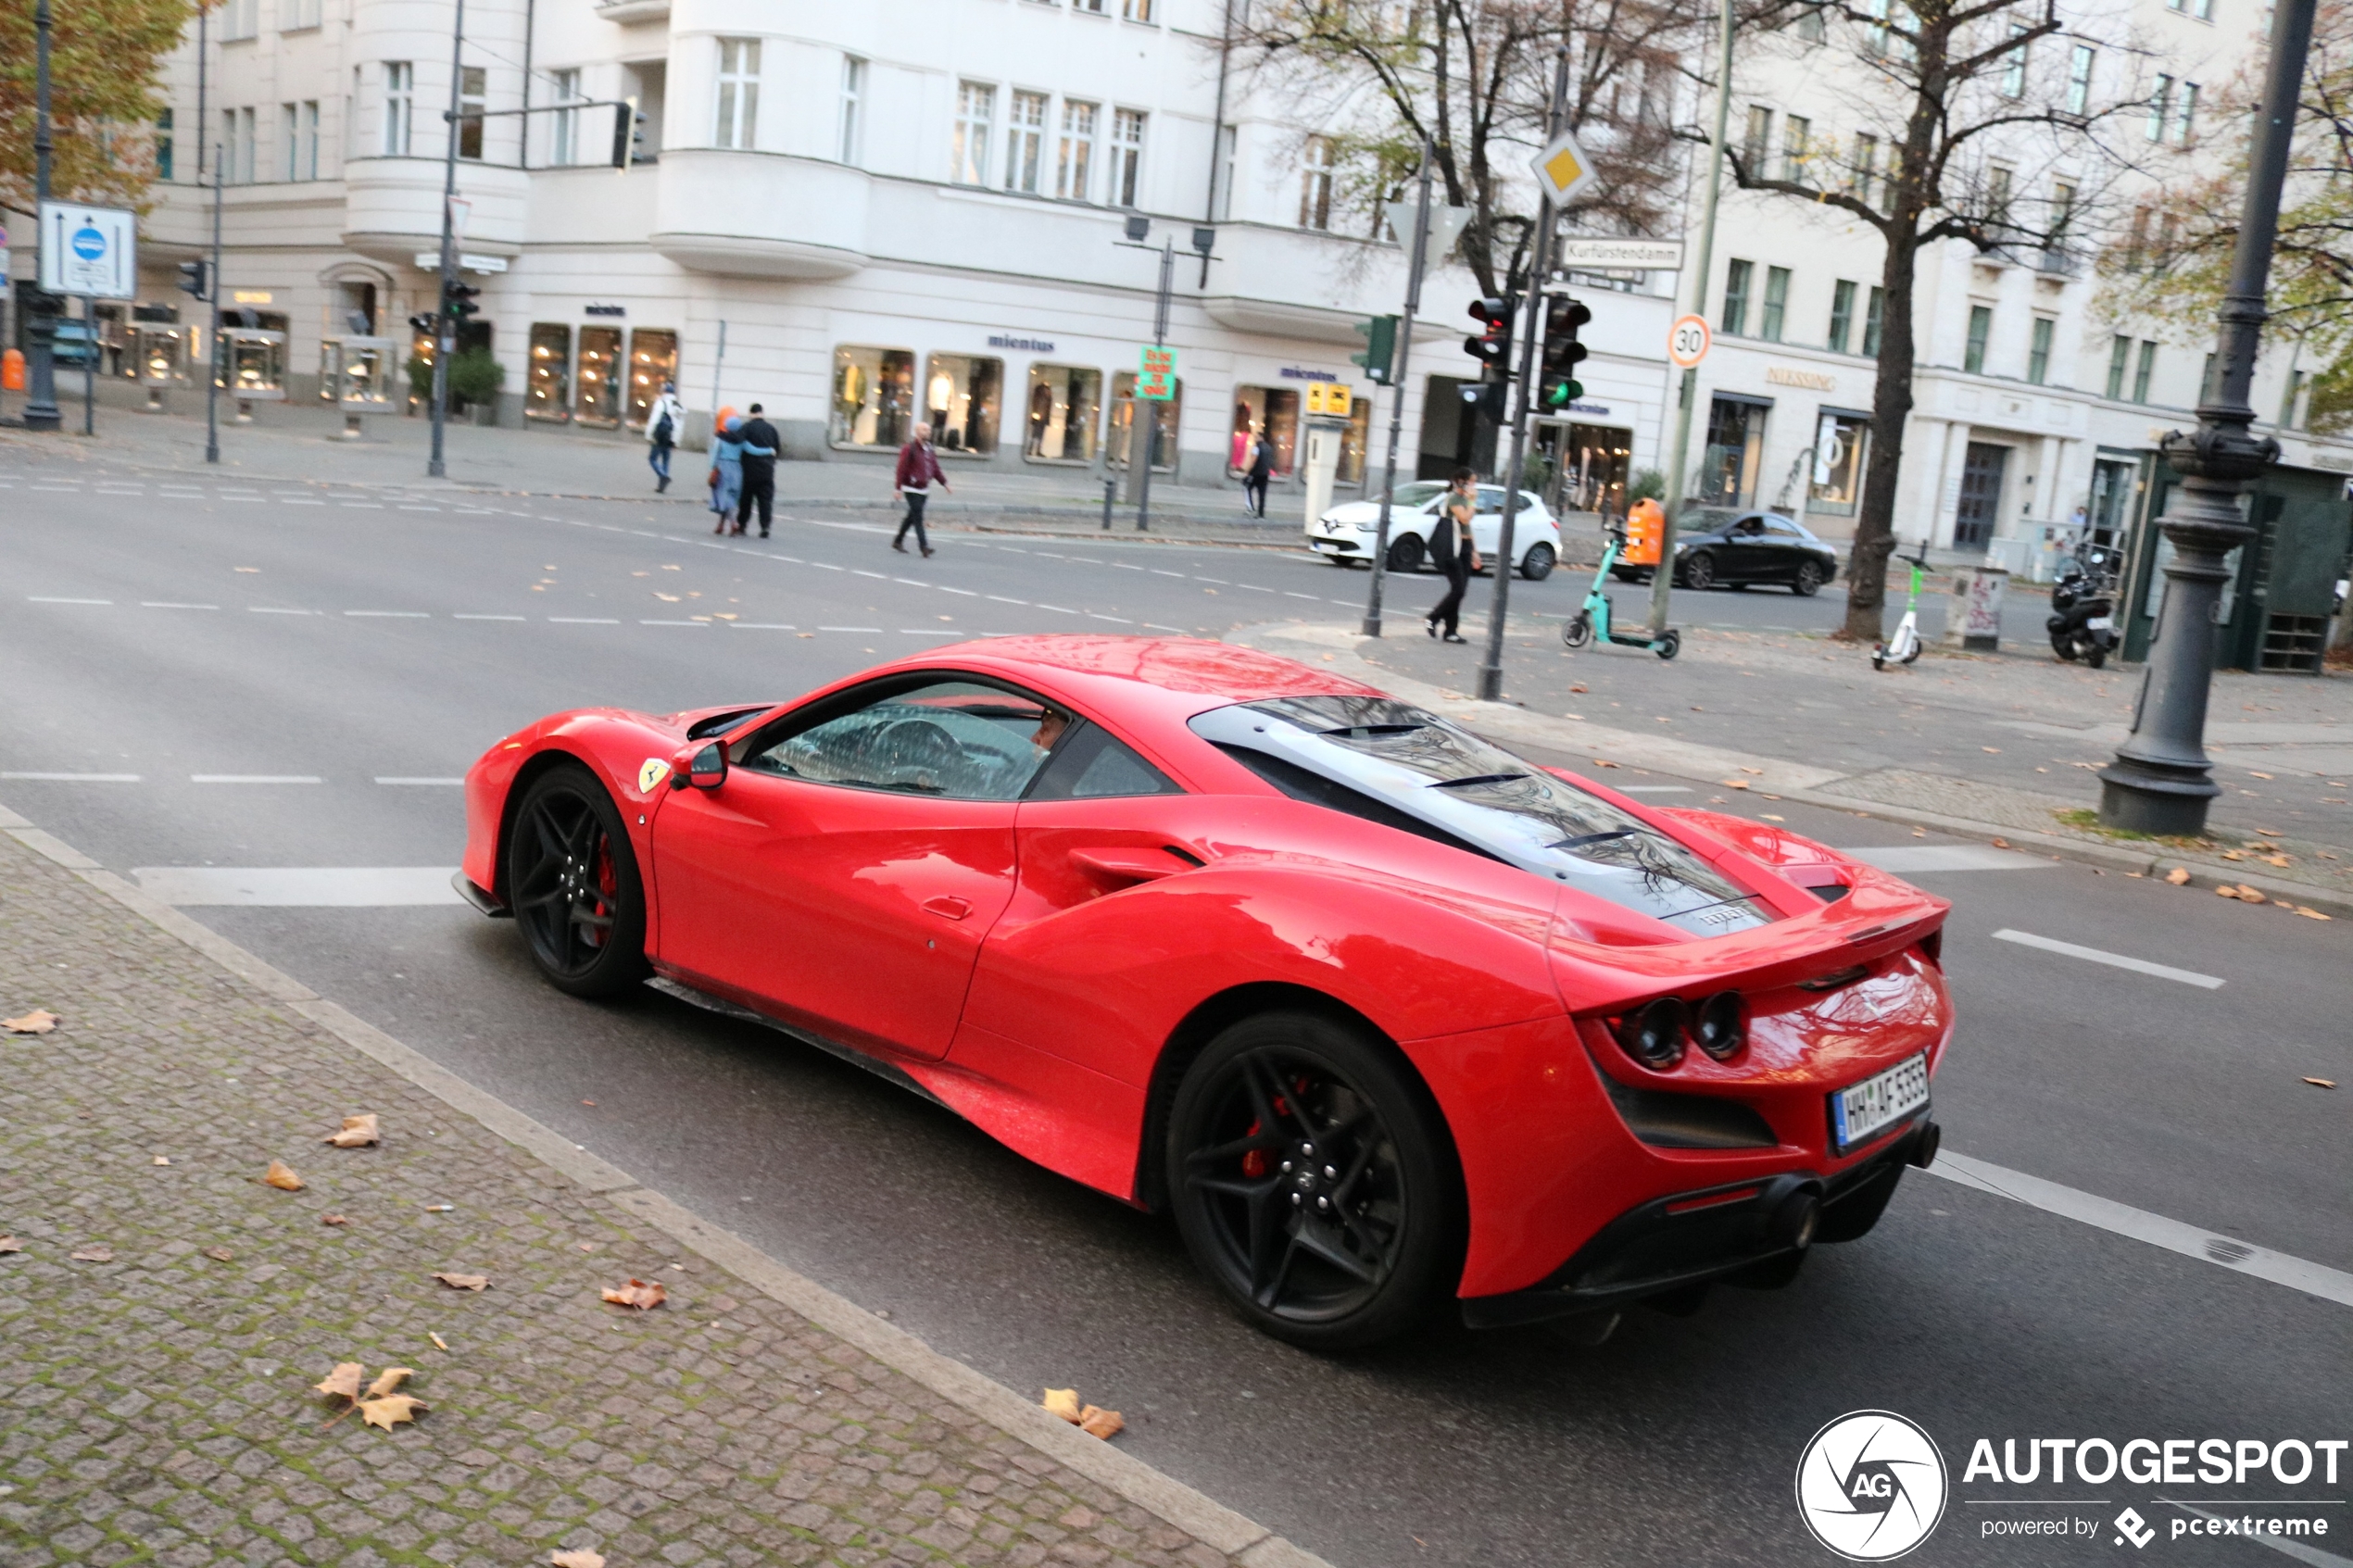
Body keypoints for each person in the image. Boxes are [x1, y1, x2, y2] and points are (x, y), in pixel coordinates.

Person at [1426, 467, 1482, 644]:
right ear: (1461, 481)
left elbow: (1467, 527)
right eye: (1472, 481)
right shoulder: (1454, 498)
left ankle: (1451, 631)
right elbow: (1465, 518)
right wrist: (1472, 502)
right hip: (1453, 548)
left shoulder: (1464, 498)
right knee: (1458, 589)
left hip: (1464, 546)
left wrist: (1474, 551)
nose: (1474, 485)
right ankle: (1433, 617)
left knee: (1460, 590)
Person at [893, 420, 949, 557]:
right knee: (918, 517)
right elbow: (901, 469)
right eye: (924, 430)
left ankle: (898, 540)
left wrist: (945, 483)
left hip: (924, 488)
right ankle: (924, 546)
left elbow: (935, 468)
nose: (927, 433)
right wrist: (898, 488)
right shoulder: (909, 448)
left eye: (928, 430)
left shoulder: (929, 449)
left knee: (912, 516)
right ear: (917, 432)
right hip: (911, 488)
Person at [735, 403, 780, 538]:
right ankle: (765, 526)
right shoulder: (771, 429)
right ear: (762, 413)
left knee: (746, 500)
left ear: (750, 414)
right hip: (767, 470)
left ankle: (742, 525)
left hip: (749, 470)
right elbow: (777, 448)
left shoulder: (747, 427)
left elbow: (738, 442)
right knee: (765, 500)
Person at [644, 381, 686, 493]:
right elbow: (680, 426)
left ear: (665, 391)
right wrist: (676, 441)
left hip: (659, 436)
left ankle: (663, 476)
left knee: (652, 459)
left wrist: (648, 434)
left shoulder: (661, 403)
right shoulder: (678, 406)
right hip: (670, 437)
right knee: (666, 460)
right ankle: (662, 486)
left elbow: (654, 420)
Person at [709, 415, 746, 533]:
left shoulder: (721, 439)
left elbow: (715, 454)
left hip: (723, 468)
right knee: (731, 495)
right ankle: (721, 525)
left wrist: (713, 467)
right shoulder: (742, 441)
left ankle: (734, 522)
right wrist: (769, 450)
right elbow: (752, 450)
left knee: (724, 496)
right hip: (737, 468)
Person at [1243, 433, 1273, 519]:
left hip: (1255, 474)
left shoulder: (1256, 447)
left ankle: (1250, 507)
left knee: (1246, 487)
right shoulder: (1269, 448)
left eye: (1256, 437)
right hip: (1265, 474)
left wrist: (1247, 472)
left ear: (1261, 437)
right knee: (1262, 494)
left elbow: (1253, 460)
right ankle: (1261, 513)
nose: (1255, 439)